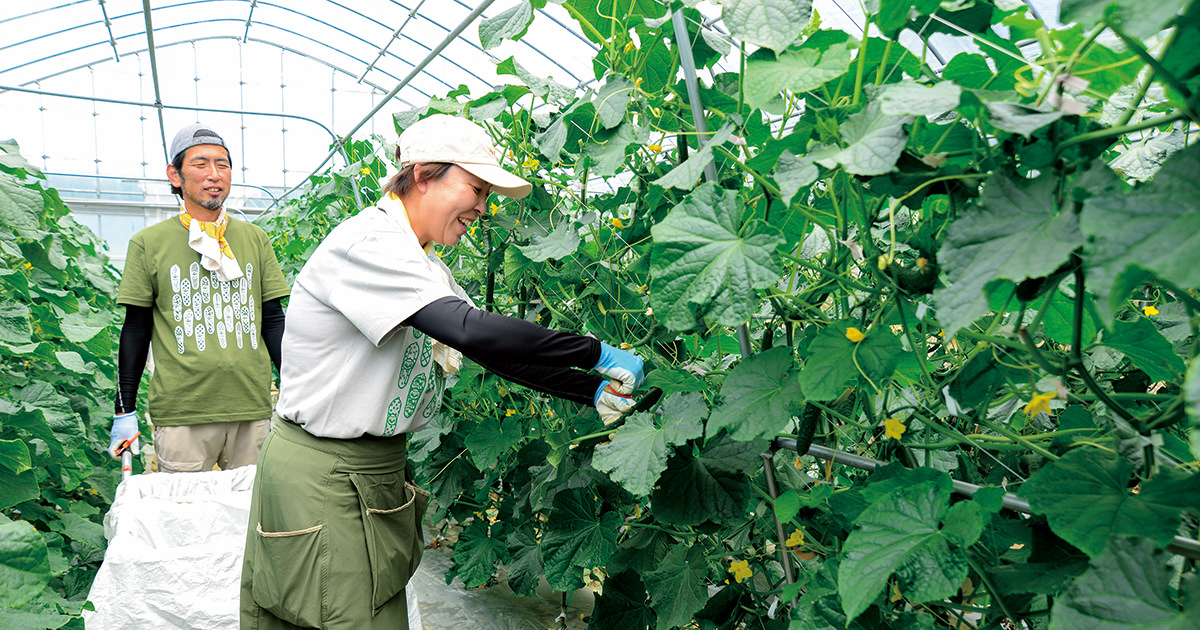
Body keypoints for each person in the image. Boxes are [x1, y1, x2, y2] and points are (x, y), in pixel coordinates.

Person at [239, 114, 644, 630]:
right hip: (324, 473)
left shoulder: (424, 263)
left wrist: (590, 390)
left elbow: (494, 354)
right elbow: (471, 330)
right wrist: (593, 352)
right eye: (476, 188)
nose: (482, 206)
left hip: (374, 471)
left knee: (365, 613)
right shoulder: (370, 244)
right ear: (425, 174)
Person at [108, 123, 290, 473]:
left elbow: (273, 321)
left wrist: (295, 387)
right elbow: (135, 330)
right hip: (182, 414)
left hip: (251, 409)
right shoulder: (149, 243)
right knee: (186, 519)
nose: (214, 175)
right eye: (200, 164)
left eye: (223, 165)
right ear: (174, 175)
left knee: (253, 520)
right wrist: (124, 411)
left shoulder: (254, 239)